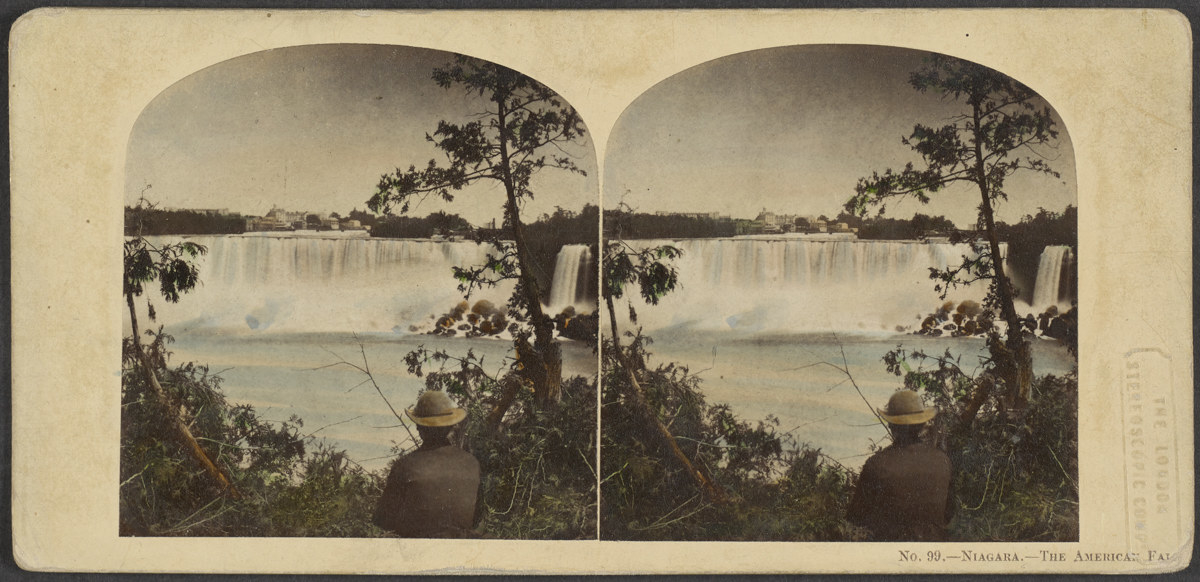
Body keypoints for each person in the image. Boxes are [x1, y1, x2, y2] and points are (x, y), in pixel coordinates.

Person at [846, 389, 954, 541]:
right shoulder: (942, 460)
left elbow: (856, 518)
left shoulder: (877, 464)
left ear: (891, 425)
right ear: (923, 424)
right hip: (934, 553)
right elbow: (949, 514)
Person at [374, 390, 481, 538]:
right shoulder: (472, 463)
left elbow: (383, 520)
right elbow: (477, 518)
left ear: (419, 427)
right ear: (450, 426)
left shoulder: (405, 465)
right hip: (461, 549)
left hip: (419, 551)